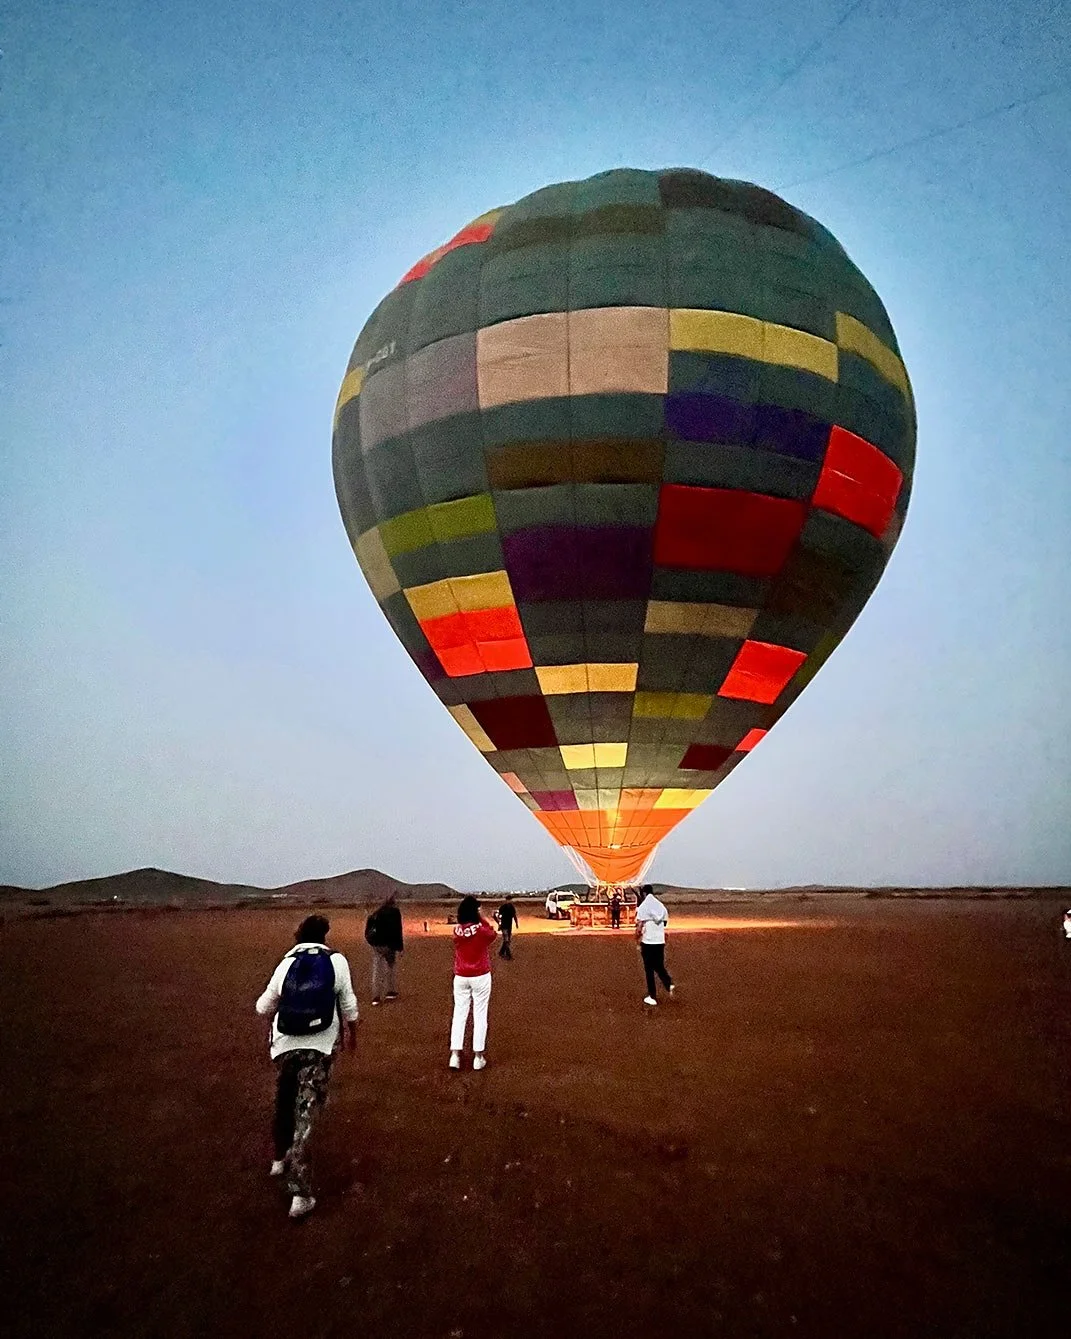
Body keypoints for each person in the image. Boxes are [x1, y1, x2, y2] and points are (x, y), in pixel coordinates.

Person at [255, 914, 358, 1219]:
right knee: (306, 1112)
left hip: (284, 1045)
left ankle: (278, 1158)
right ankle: (300, 1193)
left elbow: (263, 1006)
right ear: (325, 936)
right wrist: (352, 1035)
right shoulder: (336, 961)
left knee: (284, 1097)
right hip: (320, 1046)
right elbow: (349, 1005)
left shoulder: (287, 963)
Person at [450, 895, 497, 1070]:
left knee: (459, 1014)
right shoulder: (481, 930)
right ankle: (478, 1056)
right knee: (480, 1014)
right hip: (480, 975)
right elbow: (492, 933)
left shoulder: (457, 931)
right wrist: (481, 918)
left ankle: (455, 1055)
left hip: (461, 975)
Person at [634, 885, 674, 1006]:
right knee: (659, 965)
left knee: (649, 969)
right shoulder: (661, 907)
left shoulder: (643, 907)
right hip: (659, 941)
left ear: (644, 894)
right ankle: (668, 982)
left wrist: (637, 939)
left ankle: (652, 996)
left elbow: (639, 926)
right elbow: (664, 923)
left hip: (648, 941)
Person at [365, 893, 404, 1004]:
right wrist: (400, 947)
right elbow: (398, 930)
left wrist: (371, 942)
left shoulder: (376, 913)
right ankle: (390, 991)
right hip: (389, 945)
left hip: (376, 945)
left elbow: (368, 929)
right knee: (390, 967)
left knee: (377, 969)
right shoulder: (395, 912)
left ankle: (376, 996)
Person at [495, 894, 519, 959]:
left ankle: (501, 952)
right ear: (506, 900)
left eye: (510, 900)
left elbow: (514, 916)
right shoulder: (503, 907)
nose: (510, 901)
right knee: (506, 940)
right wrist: (499, 924)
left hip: (509, 926)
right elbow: (498, 915)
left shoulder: (512, 907)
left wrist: (516, 923)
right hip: (504, 926)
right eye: (509, 899)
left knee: (507, 940)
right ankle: (508, 955)